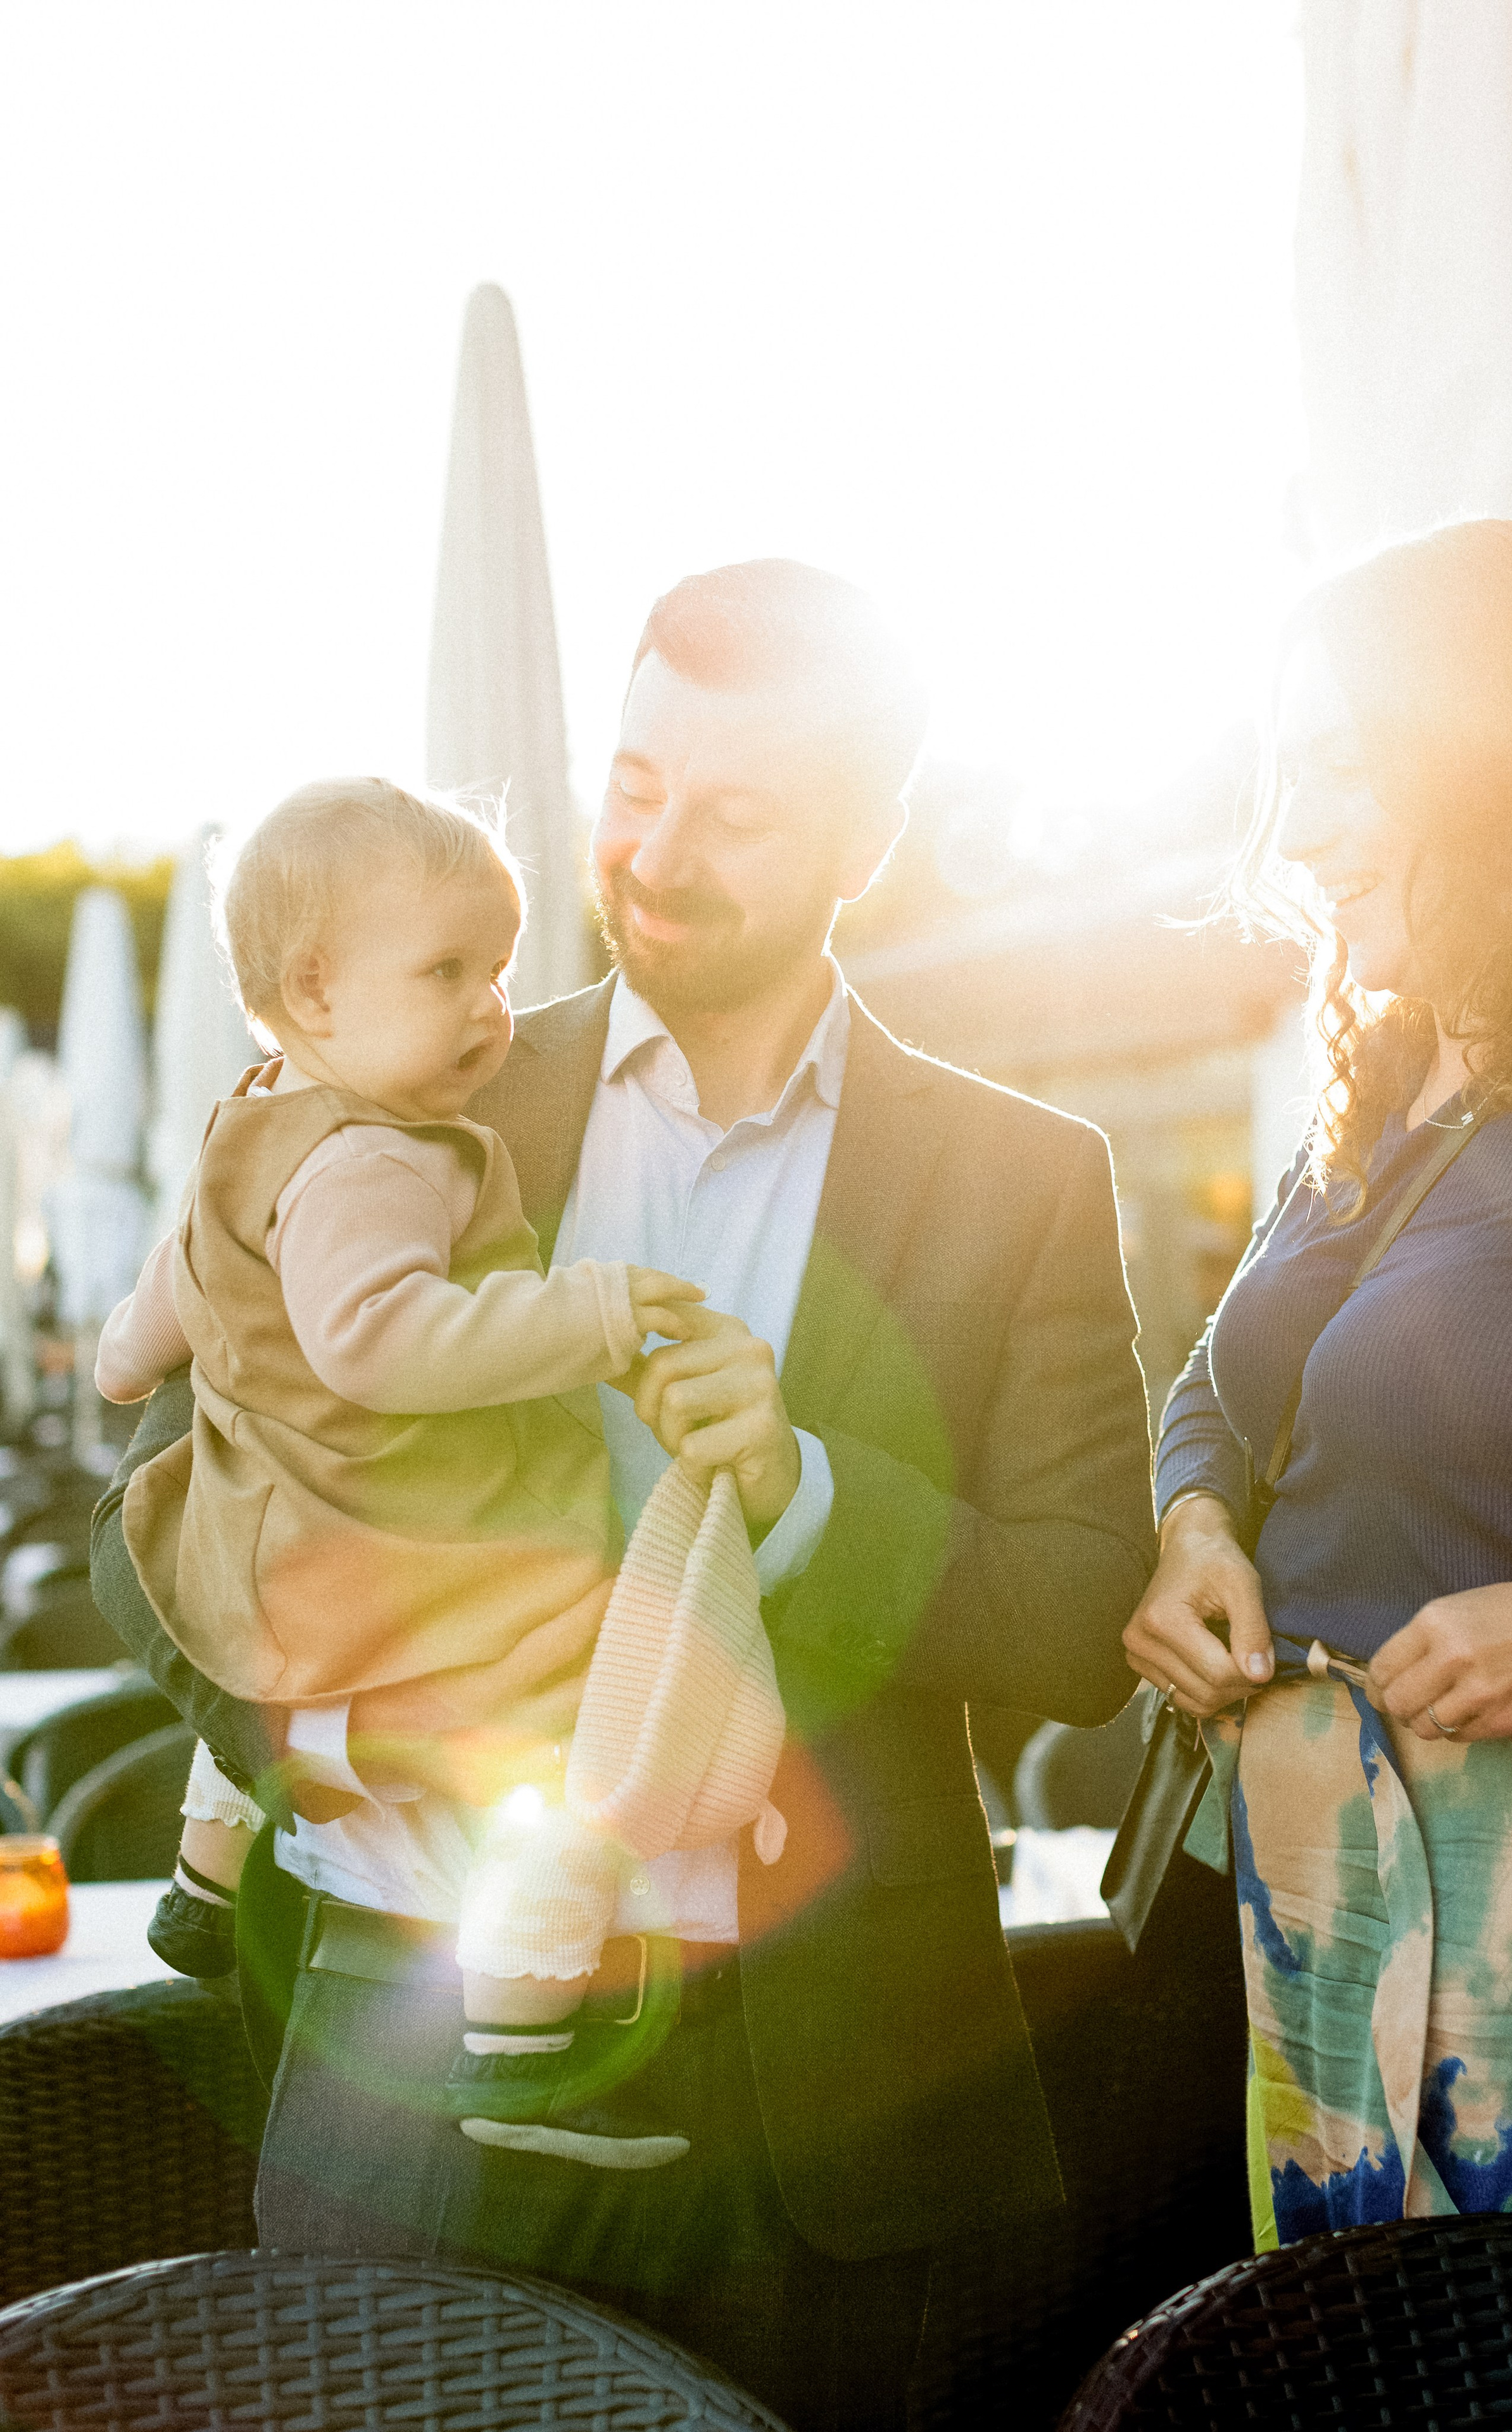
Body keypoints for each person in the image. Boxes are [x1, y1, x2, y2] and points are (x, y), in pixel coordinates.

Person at [92, 559, 1156, 2432]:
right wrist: (318, 1735)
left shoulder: (1028, 1177)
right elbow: (155, 1511)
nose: (654, 853)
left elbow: (1079, 1614)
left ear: (863, 840)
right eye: (637, 783)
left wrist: (808, 1493)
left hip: (829, 2123)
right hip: (406, 2074)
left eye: (733, 814)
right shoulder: (393, 1079)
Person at [92, 775, 786, 2158]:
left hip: (254, 1549)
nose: (493, 1007)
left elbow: (154, 1313)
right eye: (449, 971)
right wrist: (589, 1314)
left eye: (502, 969)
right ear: (315, 989)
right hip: (386, 1548)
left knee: (295, 1671)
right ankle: (519, 2039)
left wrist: (131, 1357)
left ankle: (206, 1882)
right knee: (565, 1733)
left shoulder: (253, 1121)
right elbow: (377, 1340)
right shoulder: (379, 1158)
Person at [1126, 519, 1512, 2250]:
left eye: (1345, 768)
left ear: (1494, 766)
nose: (1300, 833)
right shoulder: (1387, 1083)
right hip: (1311, 1935)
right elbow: (1221, 1384)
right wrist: (1194, 1529)